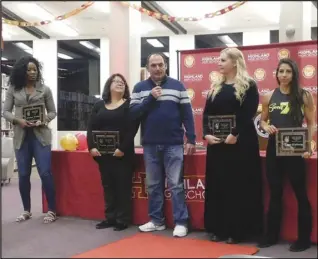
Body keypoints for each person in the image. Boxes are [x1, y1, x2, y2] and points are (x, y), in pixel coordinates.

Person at [130, 53, 196, 237]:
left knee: (176, 184)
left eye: (161, 65)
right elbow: (133, 113)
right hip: (150, 144)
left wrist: (191, 138)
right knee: (153, 185)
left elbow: (187, 115)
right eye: (154, 65)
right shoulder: (139, 88)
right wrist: (150, 98)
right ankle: (156, 221)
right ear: (148, 67)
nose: (157, 68)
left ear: (165, 66)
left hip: (173, 144)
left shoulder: (178, 86)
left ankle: (181, 222)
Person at [203, 47, 264, 244]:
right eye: (218, 60)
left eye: (222, 60)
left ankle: (238, 230)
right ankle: (218, 228)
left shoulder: (249, 85)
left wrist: (234, 133)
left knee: (238, 187)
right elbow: (206, 114)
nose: (218, 63)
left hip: (240, 145)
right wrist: (206, 134)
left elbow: (248, 113)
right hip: (218, 146)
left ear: (235, 62)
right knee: (219, 185)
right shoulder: (215, 87)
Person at [258, 58, 315, 252]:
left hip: (296, 148)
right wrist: (267, 126)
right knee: (275, 193)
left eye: (288, 71)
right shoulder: (268, 96)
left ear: (294, 74)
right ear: (276, 74)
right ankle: (271, 236)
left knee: (300, 193)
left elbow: (311, 123)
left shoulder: (304, 95)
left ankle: (304, 239)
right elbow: (262, 121)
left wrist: (308, 145)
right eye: (280, 71)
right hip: (274, 148)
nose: (283, 75)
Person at [3, 56, 57, 223]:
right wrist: (18, 121)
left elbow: (52, 112)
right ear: (22, 72)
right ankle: (26, 210)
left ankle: (52, 210)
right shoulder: (13, 89)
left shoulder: (45, 90)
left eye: (35, 70)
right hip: (21, 137)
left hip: (41, 137)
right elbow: (5, 112)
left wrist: (45, 120)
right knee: (24, 174)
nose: (33, 72)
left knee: (45, 173)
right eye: (29, 70)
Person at [87, 73, 139, 231]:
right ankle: (110, 217)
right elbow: (90, 128)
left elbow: (132, 130)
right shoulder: (98, 105)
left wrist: (122, 148)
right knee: (108, 186)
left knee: (123, 187)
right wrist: (91, 147)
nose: (119, 83)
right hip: (103, 155)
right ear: (108, 86)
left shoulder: (130, 105)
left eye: (122, 82)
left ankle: (122, 219)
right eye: (115, 81)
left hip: (122, 154)